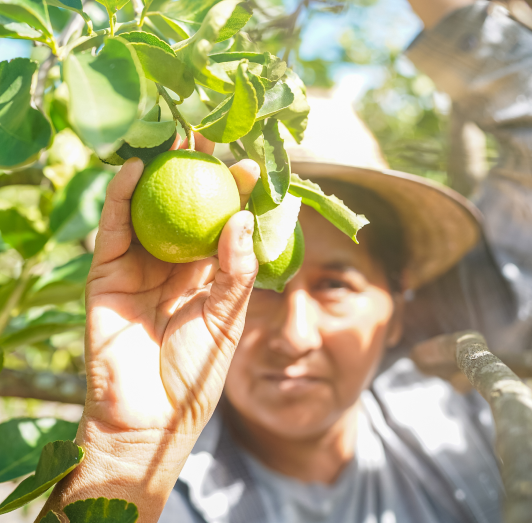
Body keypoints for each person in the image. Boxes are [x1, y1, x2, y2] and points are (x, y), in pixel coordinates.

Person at [38, 1, 532, 522]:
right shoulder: (163, 490)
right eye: (259, 289)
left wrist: (460, 16)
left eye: (336, 286)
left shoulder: (458, 431)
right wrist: (125, 446)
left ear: (397, 304)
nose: (294, 338)